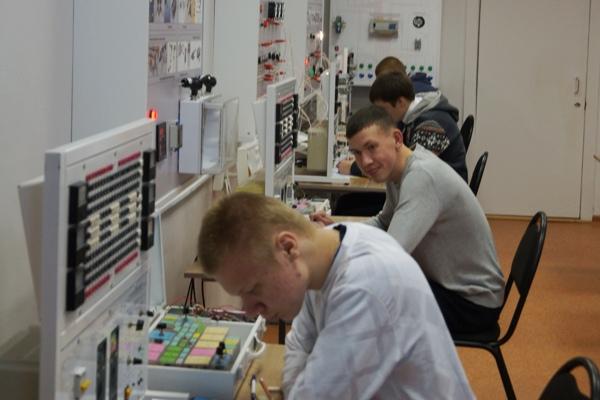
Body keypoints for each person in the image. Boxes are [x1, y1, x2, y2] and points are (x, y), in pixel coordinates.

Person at [198, 192, 474, 399]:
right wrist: (299, 387)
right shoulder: (325, 248)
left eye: (253, 290)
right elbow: (298, 343)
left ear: (288, 248)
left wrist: (300, 389)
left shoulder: (364, 286)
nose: (249, 311)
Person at [314, 105, 505, 335]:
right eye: (356, 153)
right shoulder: (399, 169)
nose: (365, 161)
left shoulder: (421, 177)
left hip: (471, 304)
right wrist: (337, 229)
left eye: (371, 147)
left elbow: (391, 254)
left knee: (365, 301)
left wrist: (332, 251)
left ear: (397, 138)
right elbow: (383, 223)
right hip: (451, 288)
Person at [338, 64, 467, 182]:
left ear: (400, 102)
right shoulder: (409, 118)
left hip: (441, 194)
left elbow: (409, 169)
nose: (380, 116)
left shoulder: (432, 124)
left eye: (383, 109)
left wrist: (354, 168)